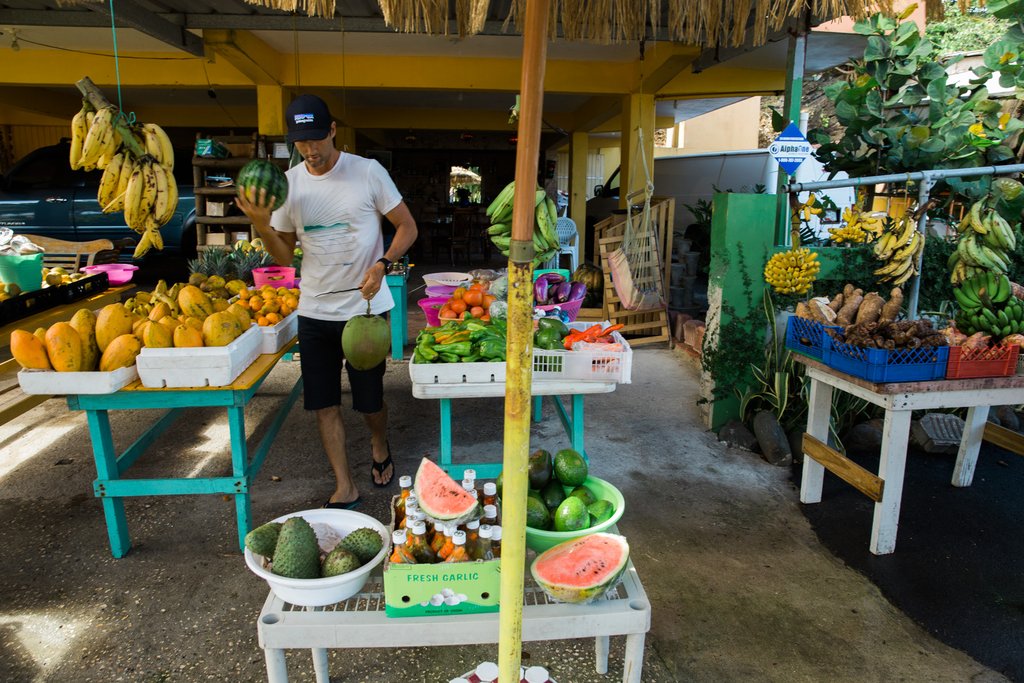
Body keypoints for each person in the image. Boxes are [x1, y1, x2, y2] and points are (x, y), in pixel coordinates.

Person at [236, 94, 417, 508]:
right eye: (301, 141)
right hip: (315, 311)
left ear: (333, 130)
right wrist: (262, 225)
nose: (310, 149)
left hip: (364, 311)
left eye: (317, 138)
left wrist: (383, 264)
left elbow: (407, 226)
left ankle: (378, 442)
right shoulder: (289, 185)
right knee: (324, 404)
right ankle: (344, 484)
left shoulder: (367, 172)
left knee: (370, 402)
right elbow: (285, 256)